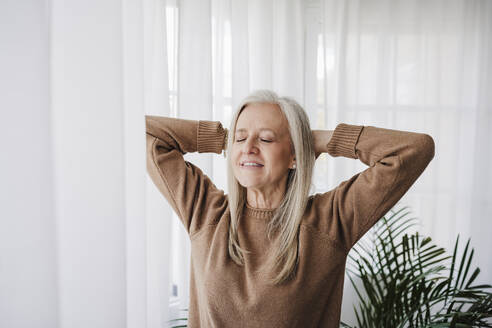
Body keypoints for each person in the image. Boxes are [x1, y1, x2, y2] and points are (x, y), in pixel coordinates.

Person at [145, 89, 435, 328]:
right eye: (241, 137)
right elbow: (143, 133)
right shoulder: (205, 211)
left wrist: (320, 141)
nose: (249, 148)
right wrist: (222, 137)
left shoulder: (329, 222)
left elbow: (413, 149)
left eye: (266, 138)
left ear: (294, 156)